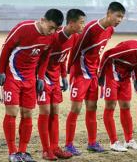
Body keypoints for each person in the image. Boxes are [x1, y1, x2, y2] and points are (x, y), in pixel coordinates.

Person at [0, 9, 64, 162]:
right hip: (13, 75)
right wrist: (1, 71)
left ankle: (23, 152)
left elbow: (45, 57)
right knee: (12, 112)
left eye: (56, 29)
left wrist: (40, 77)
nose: (52, 31)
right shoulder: (23, 28)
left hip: (30, 79)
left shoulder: (52, 37)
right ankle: (12, 152)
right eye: (51, 27)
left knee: (27, 114)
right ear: (42, 20)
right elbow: (6, 48)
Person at [65, 2, 125, 155]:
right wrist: (68, 69)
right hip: (80, 73)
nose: (119, 20)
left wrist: (99, 73)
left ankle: (92, 142)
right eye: (117, 16)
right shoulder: (91, 28)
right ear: (108, 13)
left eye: (122, 17)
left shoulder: (110, 30)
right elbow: (76, 48)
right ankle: (68, 144)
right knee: (76, 109)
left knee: (92, 108)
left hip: (93, 74)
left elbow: (98, 51)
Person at [37, 9, 86, 160]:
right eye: (81, 23)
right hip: (42, 76)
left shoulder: (74, 37)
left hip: (55, 78)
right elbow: (42, 58)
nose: (83, 26)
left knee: (55, 112)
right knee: (45, 112)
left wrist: (64, 76)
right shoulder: (54, 37)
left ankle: (55, 147)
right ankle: (46, 150)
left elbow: (62, 58)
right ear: (71, 23)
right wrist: (39, 77)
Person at [98, 40, 137, 152]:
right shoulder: (129, 49)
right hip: (112, 73)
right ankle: (114, 142)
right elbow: (107, 55)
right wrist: (101, 75)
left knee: (126, 106)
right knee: (110, 106)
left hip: (126, 75)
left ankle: (129, 140)